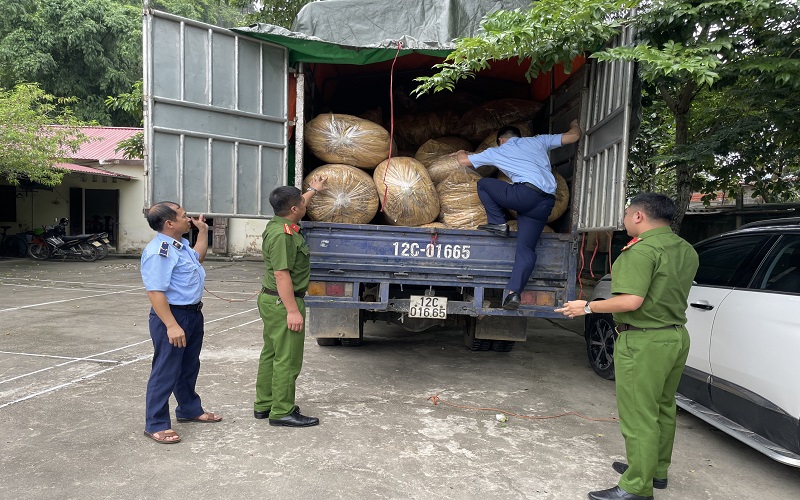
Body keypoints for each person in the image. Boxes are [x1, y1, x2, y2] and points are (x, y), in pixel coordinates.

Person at [555, 193, 699, 500]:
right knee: (663, 407)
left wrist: (588, 307)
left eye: (626, 214)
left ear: (638, 217)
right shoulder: (685, 249)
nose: (623, 220)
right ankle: (654, 471)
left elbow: (632, 301)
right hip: (674, 336)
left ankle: (636, 487)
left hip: (643, 340)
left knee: (639, 414)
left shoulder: (639, 253)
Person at [454, 119, 581, 309]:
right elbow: (574, 136)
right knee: (526, 249)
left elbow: (464, 161)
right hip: (546, 202)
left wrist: (460, 152)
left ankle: (497, 223)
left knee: (484, 184)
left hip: (524, 194)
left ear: (501, 140)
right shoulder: (539, 141)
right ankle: (514, 294)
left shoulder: (498, 151)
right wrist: (575, 123)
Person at [140, 202, 222, 444]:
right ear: (169, 223)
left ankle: (189, 409)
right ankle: (156, 423)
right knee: (166, 370)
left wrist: (204, 232)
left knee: (188, 366)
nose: (189, 219)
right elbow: (155, 292)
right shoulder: (159, 252)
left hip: (192, 314)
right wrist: (172, 325)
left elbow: (198, 258)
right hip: (172, 316)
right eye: (184, 216)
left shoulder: (180, 245)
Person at [254, 176, 327, 427]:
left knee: (271, 353)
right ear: (294, 209)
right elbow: (281, 274)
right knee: (287, 358)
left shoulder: (278, 223)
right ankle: (282, 410)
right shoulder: (284, 236)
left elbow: (299, 203)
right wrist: (293, 311)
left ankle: (264, 405)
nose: (305, 205)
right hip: (283, 302)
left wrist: (312, 191)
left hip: (270, 301)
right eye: (302, 203)